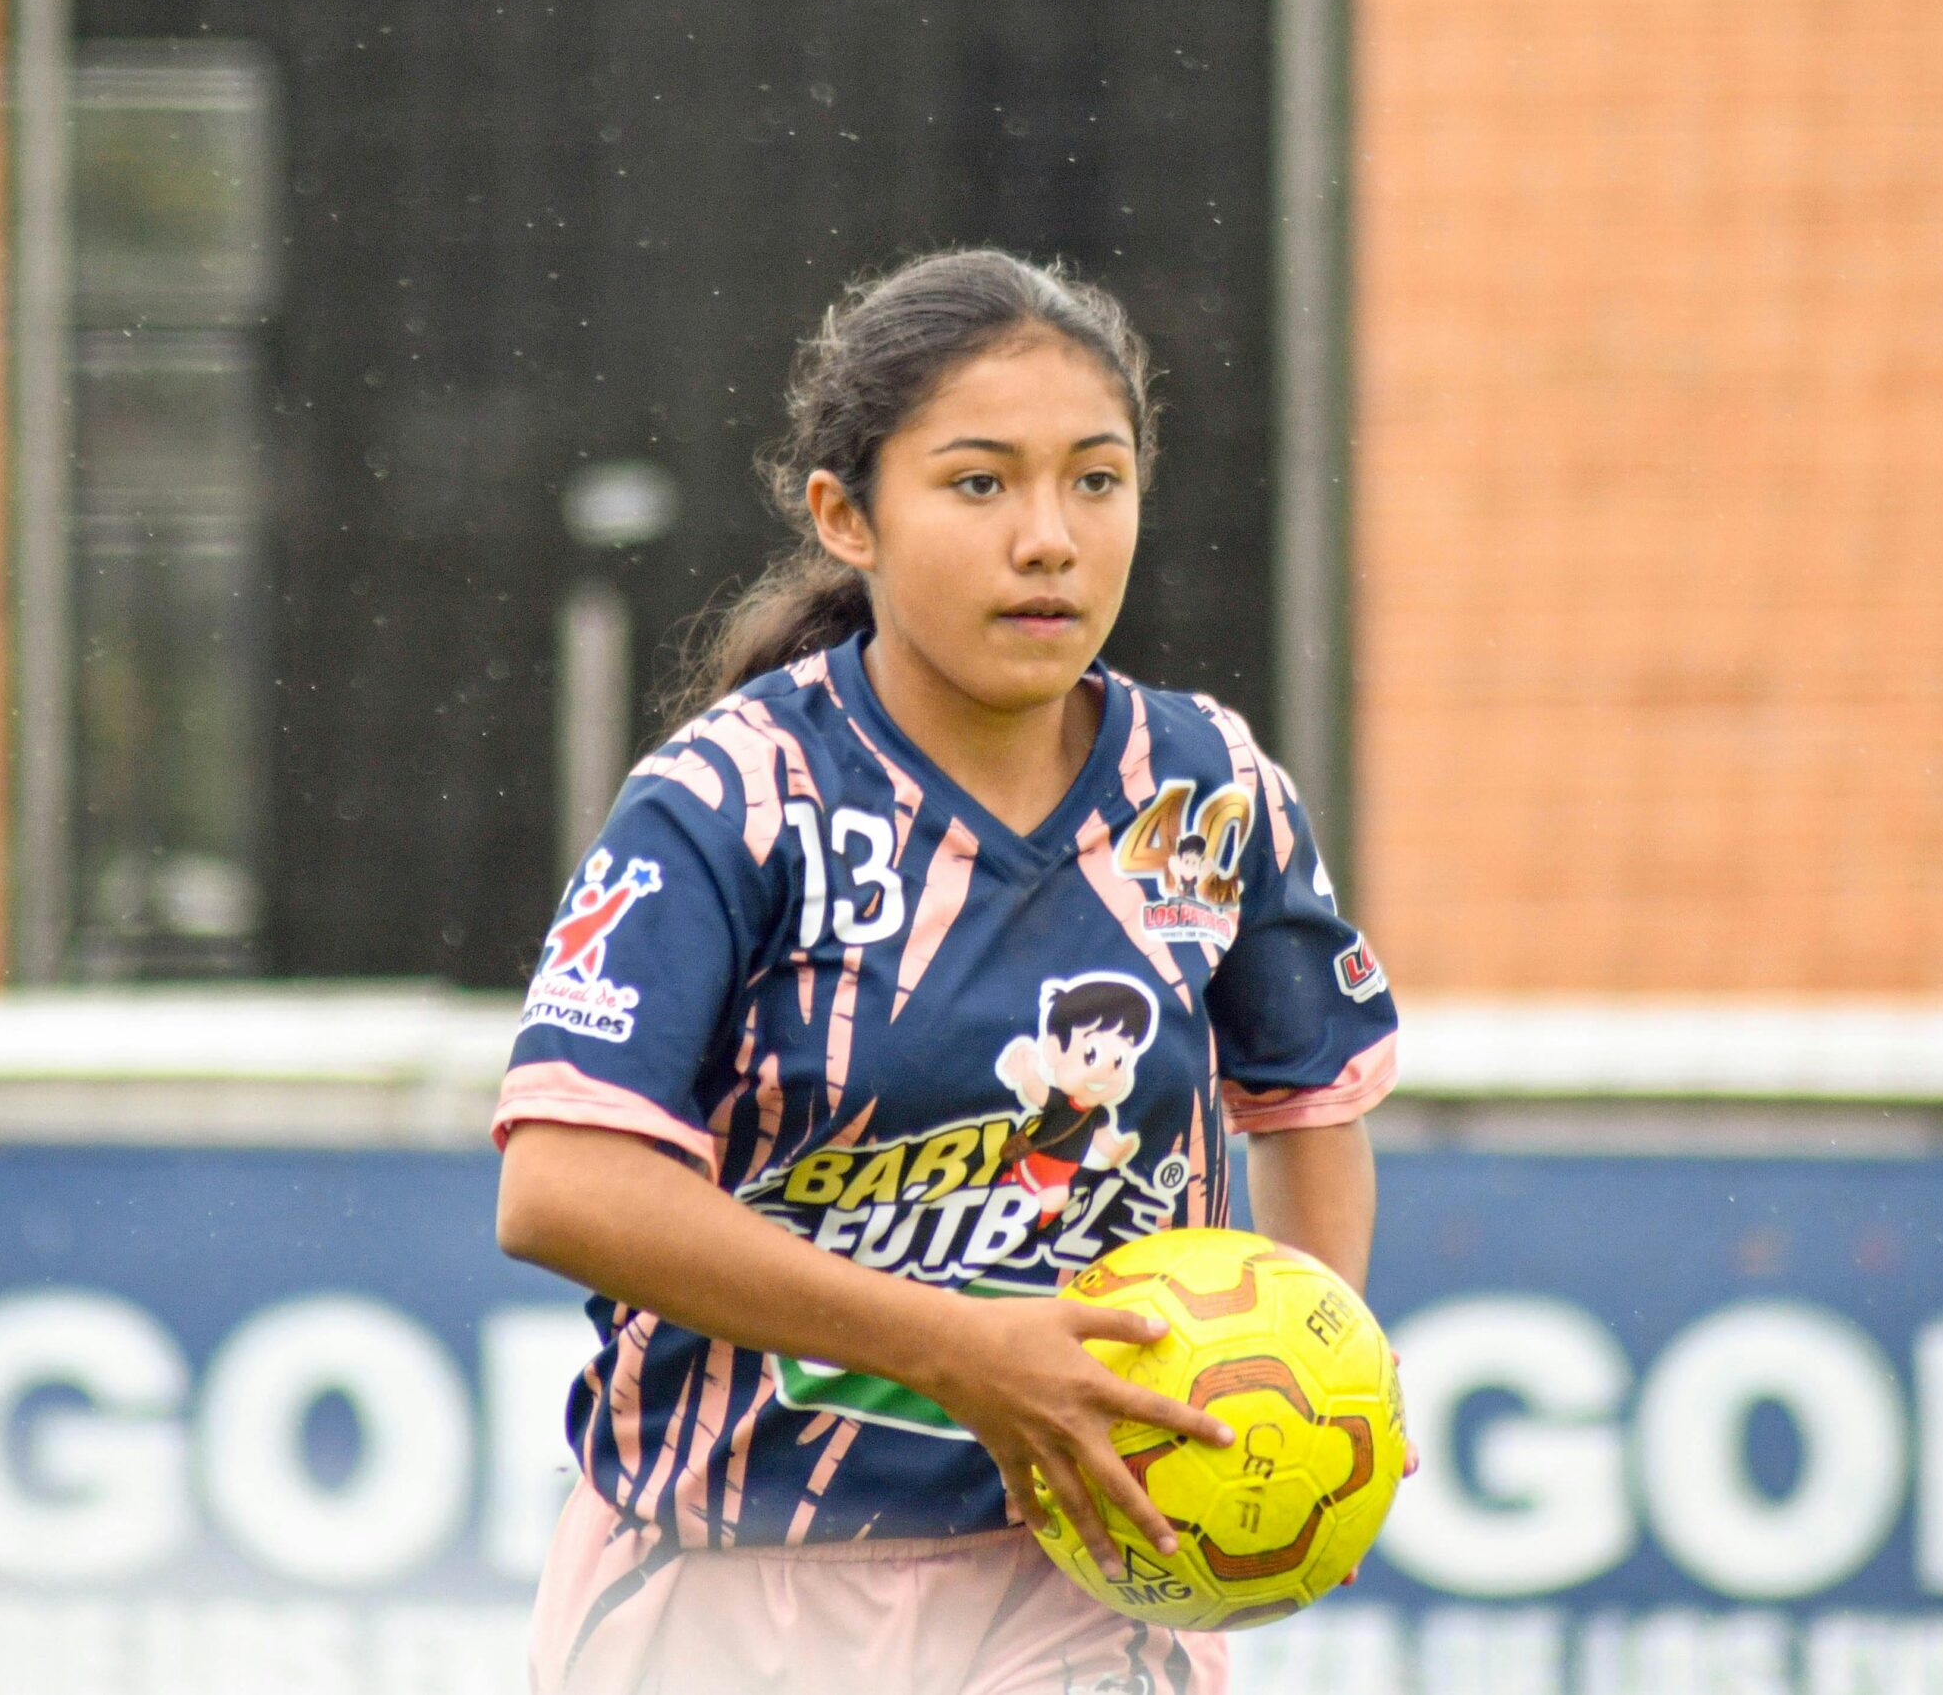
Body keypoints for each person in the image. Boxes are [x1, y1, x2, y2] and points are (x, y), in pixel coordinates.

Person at [492, 247, 1399, 1695]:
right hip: (738, 1591)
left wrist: (1296, 1415)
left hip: (1084, 1593)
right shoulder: (730, 802)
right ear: (848, 517)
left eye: (1095, 481)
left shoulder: (1210, 787)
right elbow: (562, 1187)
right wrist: (966, 1351)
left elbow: (1309, 1106)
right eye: (980, 484)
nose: (1049, 538)